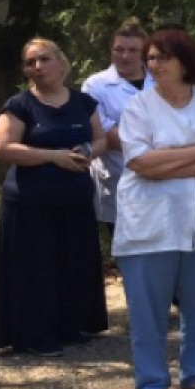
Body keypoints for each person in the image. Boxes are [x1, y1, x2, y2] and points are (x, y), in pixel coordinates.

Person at [113, 28, 195, 389]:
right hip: (151, 223)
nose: (155, 64)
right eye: (151, 58)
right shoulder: (139, 106)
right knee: (148, 310)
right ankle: (152, 384)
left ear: (185, 61)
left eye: (163, 57)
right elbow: (140, 162)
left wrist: (170, 162)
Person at [0, 39, 109, 357]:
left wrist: (89, 150)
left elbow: (100, 139)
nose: (37, 67)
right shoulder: (19, 105)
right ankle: (35, 336)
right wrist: (53, 156)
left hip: (75, 199)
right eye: (30, 62)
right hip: (31, 203)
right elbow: (4, 148)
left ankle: (71, 326)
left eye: (44, 59)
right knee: (37, 268)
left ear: (61, 62)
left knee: (73, 262)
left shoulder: (83, 102)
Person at [82, 19, 153, 238]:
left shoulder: (160, 81)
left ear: (144, 53)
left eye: (133, 50)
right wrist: (165, 148)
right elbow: (106, 135)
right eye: (119, 49)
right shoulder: (95, 85)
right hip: (118, 177)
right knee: (126, 246)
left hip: (163, 179)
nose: (125, 56)